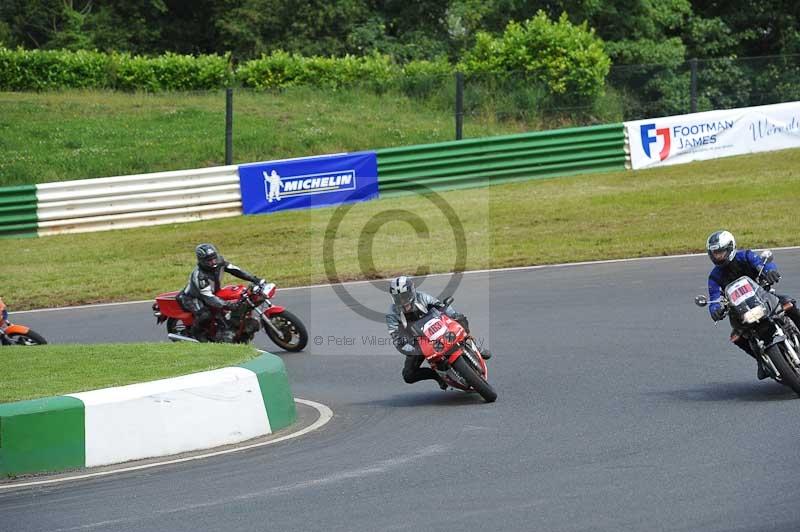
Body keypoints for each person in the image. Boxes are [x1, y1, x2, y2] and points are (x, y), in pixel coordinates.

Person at [706, 230, 800, 379]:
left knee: (788, 304)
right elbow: (714, 297)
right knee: (737, 337)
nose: (718, 256)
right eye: (715, 253)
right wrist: (715, 309)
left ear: (730, 248)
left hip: (762, 296)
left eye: (721, 252)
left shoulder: (745, 256)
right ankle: (760, 361)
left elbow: (762, 263)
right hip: (739, 310)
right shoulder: (715, 276)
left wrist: (770, 272)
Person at [385, 276, 490, 390]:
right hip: (418, 342)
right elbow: (395, 336)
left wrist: (453, 315)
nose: (403, 301)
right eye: (398, 298)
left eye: (405, 296)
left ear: (412, 291)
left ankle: (472, 343)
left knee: (459, 318)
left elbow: (441, 307)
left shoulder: (422, 297)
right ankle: (437, 376)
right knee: (408, 375)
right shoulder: (392, 313)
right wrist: (410, 349)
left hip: (437, 327)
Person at [177, 244, 263, 342]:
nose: (213, 262)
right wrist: (228, 305)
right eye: (209, 260)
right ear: (202, 261)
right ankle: (197, 333)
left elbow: (235, 270)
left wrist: (254, 279)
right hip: (193, 297)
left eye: (214, 258)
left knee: (229, 306)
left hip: (213, 292)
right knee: (205, 315)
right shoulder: (199, 275)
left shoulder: (220, 262)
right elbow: (208, 297)